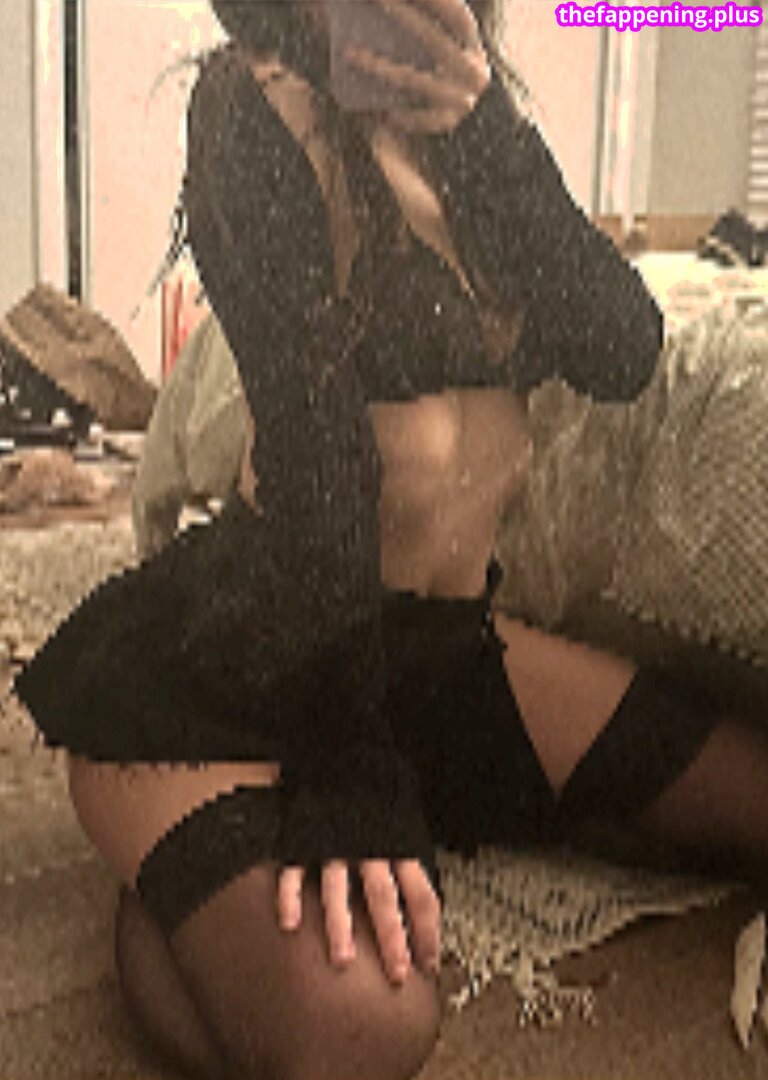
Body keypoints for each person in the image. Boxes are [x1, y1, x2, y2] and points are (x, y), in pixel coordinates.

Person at [20, 2, 767, 1078]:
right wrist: (347, 768)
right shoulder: (249, 104)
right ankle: (171, 891)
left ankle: (215, 897)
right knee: (367, 1025)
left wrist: (487, 137)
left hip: (439, 657)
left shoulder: (479, 133)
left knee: (752, 793)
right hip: (255, 659)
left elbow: (623, 347)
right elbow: (318, 456)